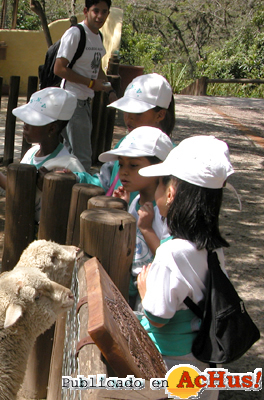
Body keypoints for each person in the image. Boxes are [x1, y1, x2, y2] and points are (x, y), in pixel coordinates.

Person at [137, 136, 233, 400]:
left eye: (159, 183)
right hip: (203, 356)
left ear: (171, 193)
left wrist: (145, 292)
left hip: (171, 363)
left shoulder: (170, 251)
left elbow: (158, 315)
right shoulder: (212, 247)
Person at [0, 87, 85, 223]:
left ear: (52, 129)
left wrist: (49, 189)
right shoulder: (31, 153)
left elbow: (76, 207)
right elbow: (17, 187)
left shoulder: (68, 165)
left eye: (32, 121)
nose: (25, 125)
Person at [70, 73, 175, 204]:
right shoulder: (123, 144)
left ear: (160, 115)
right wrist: (77, 178)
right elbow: (105, 182)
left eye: (138, 113)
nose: (129, 118)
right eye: (126, 110)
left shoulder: (174, 157)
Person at [98, 126, 173, 309]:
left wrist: (147, 229)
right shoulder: (136, 201)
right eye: (121, 164)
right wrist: (122, 210)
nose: (123, 172)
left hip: (152, 292)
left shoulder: (166, 212)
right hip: (130, 285)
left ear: (158, 168)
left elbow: (170, 258)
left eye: (133, 165)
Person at [53, 0, 116, 171]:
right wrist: (90, 83)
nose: (100, 16)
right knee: (83, 158)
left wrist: (109, 89)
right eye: (96, 11)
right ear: (86, 11)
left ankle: (67, 193)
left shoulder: (98, 36)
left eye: (104, 12)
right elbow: (59, 68)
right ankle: (82, 194)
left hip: (84, 101)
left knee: (71, 154)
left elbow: (96, 69)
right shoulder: (76, 34)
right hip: (72, 100)